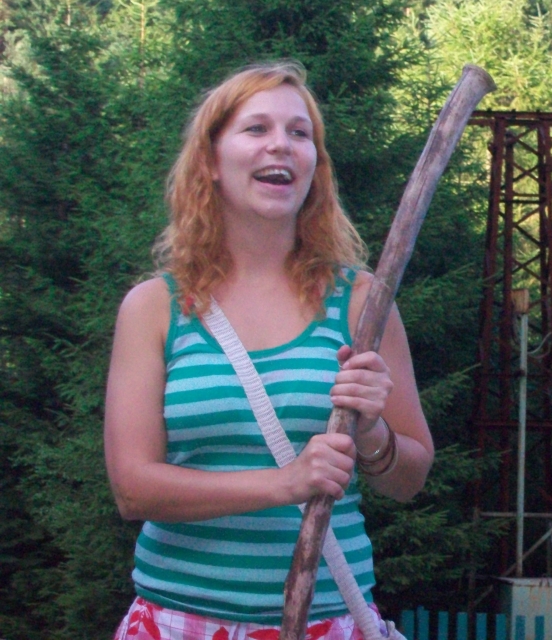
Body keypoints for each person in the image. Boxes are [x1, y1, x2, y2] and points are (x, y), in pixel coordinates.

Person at [104, 60, 434, 640]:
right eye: (256, 128)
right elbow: (133, 488)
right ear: (210, 160)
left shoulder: (362, 303)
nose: (280, 144)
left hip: (324, 620)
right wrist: (286, 482)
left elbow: (409, 479)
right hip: (178, 621)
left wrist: (371, 431)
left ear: (314, 167)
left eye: (299, 133)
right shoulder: (154, 308)